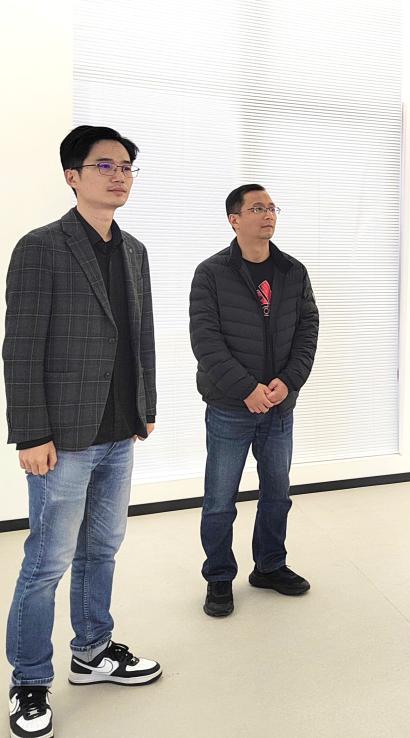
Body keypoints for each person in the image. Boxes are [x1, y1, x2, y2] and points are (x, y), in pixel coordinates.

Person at [4, 125, 161, 738]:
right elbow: (21, 347)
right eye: (104, 165)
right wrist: (30, 433)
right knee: (48, 560)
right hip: (63, 436)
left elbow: (142, 335)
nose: (119, 176)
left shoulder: (134, 251)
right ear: (72, 176)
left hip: (119, 430)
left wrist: (145, 404)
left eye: (126, 167)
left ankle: (92, 651)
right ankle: (29, 680)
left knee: (103, 549)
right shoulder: (41, 247)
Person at [189, 184, 319, 618]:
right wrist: (247, 388)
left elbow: (308, 330)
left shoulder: (292, 271)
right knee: (219, 500)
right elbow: (205, 341)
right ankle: (219, 577)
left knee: (277, 494)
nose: (268, 215)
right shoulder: (211, 273)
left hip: (279, 406)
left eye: (272, 207)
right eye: (258, 208)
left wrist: (288, 381)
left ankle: (269, 566)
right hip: (231, 407)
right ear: (234, 219)